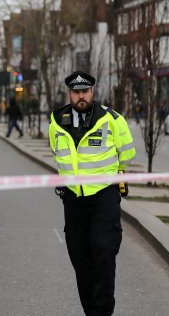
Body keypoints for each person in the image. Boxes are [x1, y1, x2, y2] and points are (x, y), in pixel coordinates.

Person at [48, 71, 136, 316]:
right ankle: (92, 311)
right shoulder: (56, 120)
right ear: (70, 94)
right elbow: (57, 153)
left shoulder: (111, 119)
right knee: (80, 257)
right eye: (76, 92)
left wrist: (118, 172)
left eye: (85, 91)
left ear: (92, 93)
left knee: (104, 251)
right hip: (73, 198)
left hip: (104, 195)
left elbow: (127, 153)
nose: (81, 96)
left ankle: (102, 312)